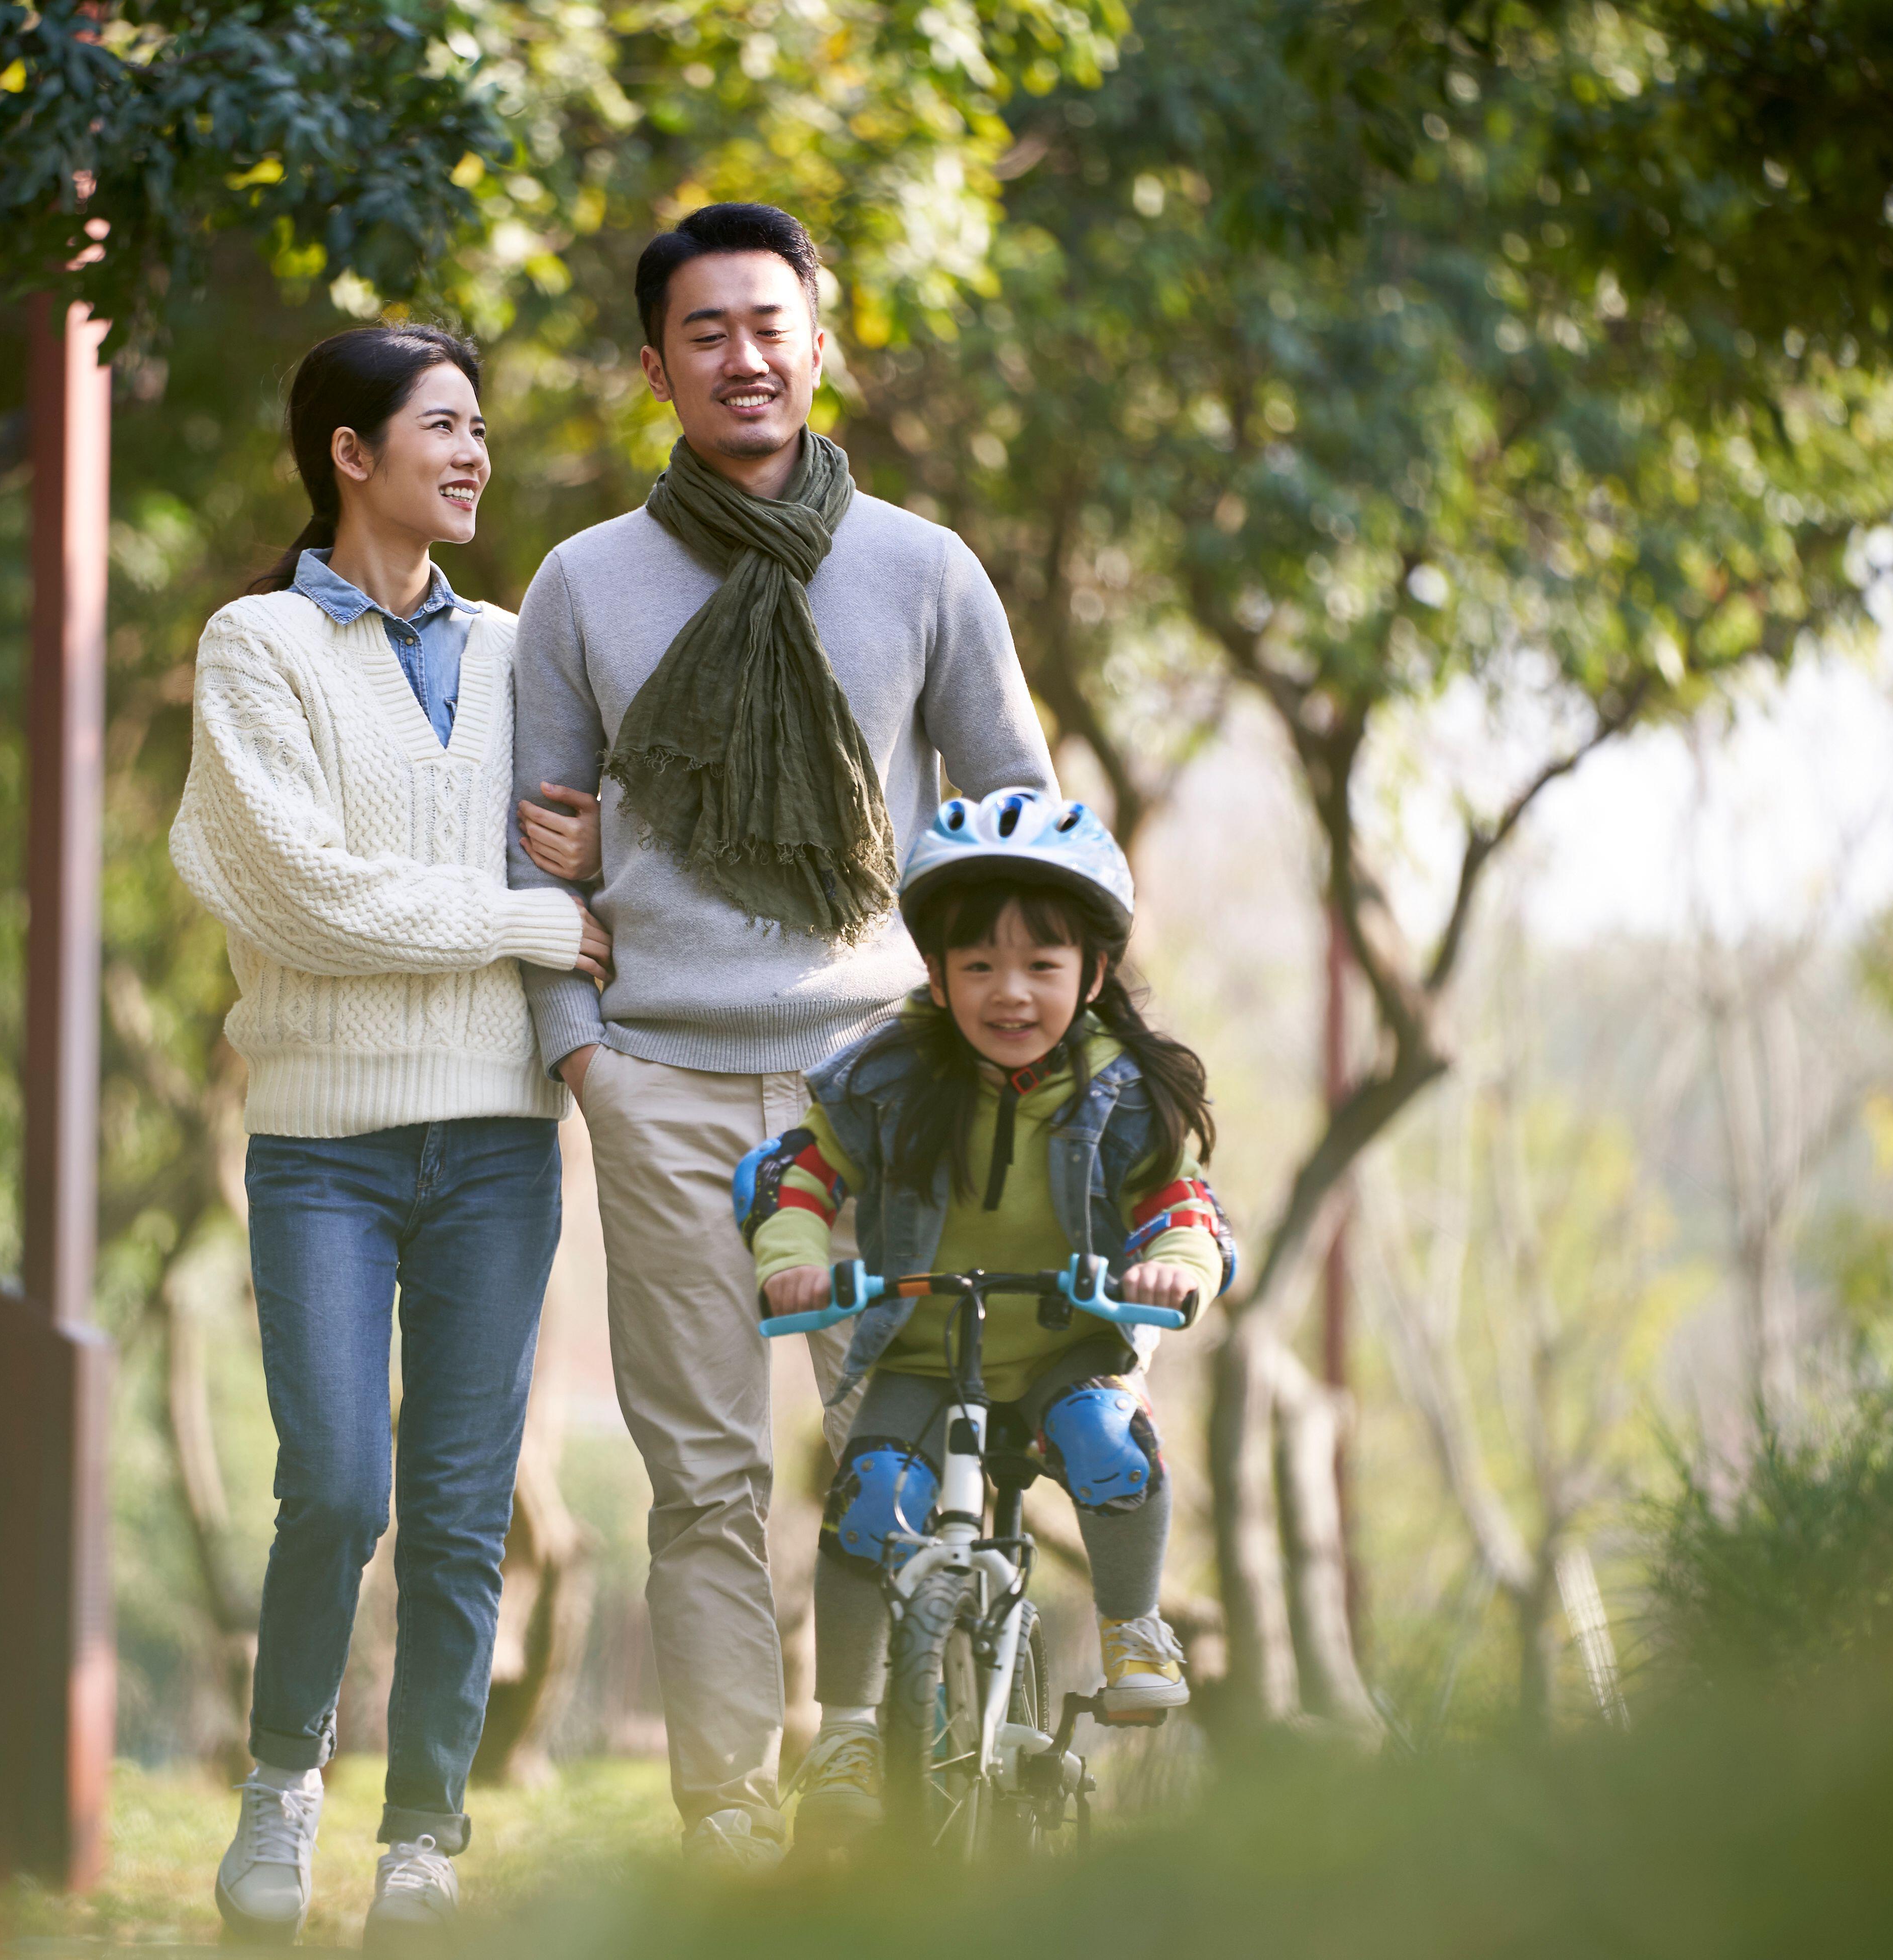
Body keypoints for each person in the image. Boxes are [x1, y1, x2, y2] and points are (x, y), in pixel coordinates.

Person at [508, 202, 1054, 1869]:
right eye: (703, 332)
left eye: (770, 324)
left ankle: (866, 1758)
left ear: (822, 343)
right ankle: (728, 1810)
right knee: (703, 1477)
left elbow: (1017, 815)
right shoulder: (584, 582)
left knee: (882, 1445)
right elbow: (521, 854)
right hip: (658, 1077)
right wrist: (579, 1054)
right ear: (655, 365)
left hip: (873, 1078)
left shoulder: (922, 568)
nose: (742, 357)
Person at [169, 322, 609, 1947]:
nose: (476, 453)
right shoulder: (257, 646)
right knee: (338, 1486)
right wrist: (527, 920)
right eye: (443, 426)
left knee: (458, 1504)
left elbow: (594, 844)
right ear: (350, 455)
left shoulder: (520, 648)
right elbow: (300, 894)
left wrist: (583, 865)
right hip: (324, 1143)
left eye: (480, 427)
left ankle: (421, 1838)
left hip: (498, 1139)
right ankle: (284, 1785)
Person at [739, 789, 1235, 1848]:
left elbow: (1183, 1210)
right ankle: (851, 1728)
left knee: (1114, 1441)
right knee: (869, 1496)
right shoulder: (891, 1075)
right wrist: (788, 1261)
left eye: (1042, 967)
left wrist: (1174, 1271)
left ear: (1093, 975)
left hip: (1066, 1350)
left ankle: (1132, 1626)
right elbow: (796, 1177)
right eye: (979, 966)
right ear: (937, 974)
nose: (1010, 993)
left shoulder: (1127, 1094)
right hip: (925, 1350)